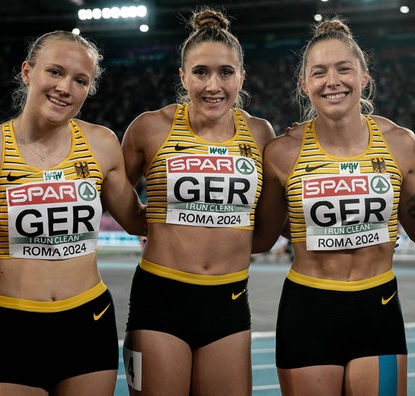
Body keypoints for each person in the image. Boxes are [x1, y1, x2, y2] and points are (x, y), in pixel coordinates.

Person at [0, 30, 146, 396]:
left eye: (80, 80)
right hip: (14, 329)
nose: (65, 87)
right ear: (27, 72)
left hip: (90, 322)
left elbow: (137, 221)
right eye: (55, 72)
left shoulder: (102, 144)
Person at [252, 17, 415, 395]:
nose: (332, 81)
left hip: (378, 308)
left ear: (364, 75)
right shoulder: (282, 153)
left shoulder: (401, 144)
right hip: (308, 311)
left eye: (344, 69)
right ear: (305, 85)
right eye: (319, 73)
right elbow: (262, 237)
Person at [120, 7, 275, 396]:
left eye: (225, 72)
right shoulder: (149, 128)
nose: (213, 85)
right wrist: (145, 224)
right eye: (201, 72)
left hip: (229, 299)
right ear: (183, 76)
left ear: (242, 76)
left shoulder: (260, 133)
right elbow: (111, 190)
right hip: (160, 299)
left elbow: (268, 223)